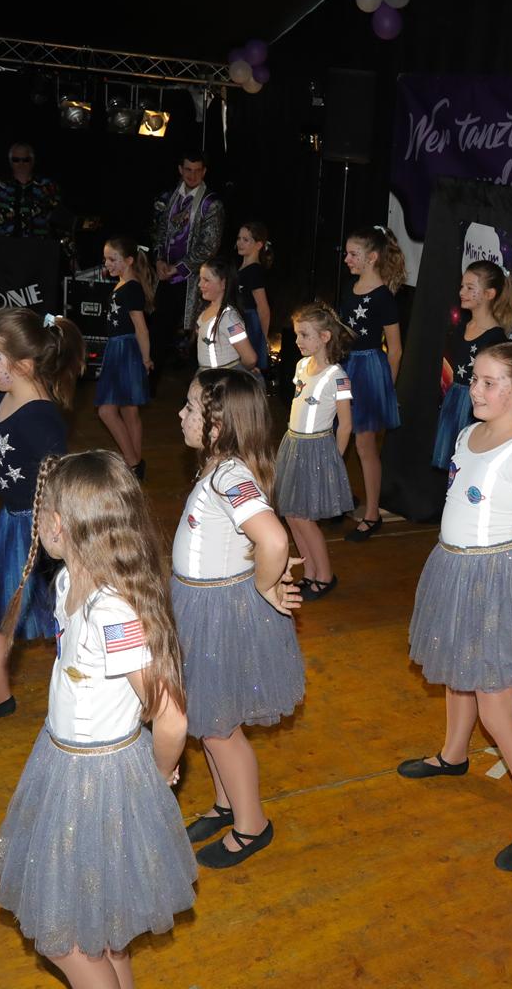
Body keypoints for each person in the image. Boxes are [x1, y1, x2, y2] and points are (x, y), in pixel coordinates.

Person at [0, 450, 196, 988]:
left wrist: (157, 777)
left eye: (42, 511)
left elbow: (171, 718)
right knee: (102, 928)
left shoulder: (112, 613)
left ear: (60, 525)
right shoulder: (66, 583)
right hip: (64, 763)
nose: (36, 521)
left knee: (67, 940)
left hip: (100, 777)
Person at [399, 341, 512, 871]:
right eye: (476, 379)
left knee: (497, 710)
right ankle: (453, 755)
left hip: (498, 583)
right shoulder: (468, 434)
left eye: (491, 383)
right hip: (456, 571)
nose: (476, 389)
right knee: (457, 670)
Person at [172, 368, 304, 870]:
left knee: (219, 728)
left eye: (190, 407)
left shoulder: (229, 475)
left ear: (218, 424)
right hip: (199, 606)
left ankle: (251, 824)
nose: (181, 414)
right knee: (208, 715)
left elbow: (272, 537)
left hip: (217, 614)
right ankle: (227, 802)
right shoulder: (219, 468)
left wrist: (265, 584)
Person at [0, 309, 85, 730]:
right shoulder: (7, 395)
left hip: (40, 528)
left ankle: (88, 694)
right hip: (10, 522)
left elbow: (59, 479)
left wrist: (55, 536)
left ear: (23, 365)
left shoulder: (39, 416)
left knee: (69, 613)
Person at [273, 302, 355, 601]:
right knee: (292, 515)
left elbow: (345, 425)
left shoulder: (337, 376)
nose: (298, 340)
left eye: (304, 335)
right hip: (293, 444)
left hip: (317, 450)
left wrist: (335, 461)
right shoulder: (300, 367)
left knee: (305, 518)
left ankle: (325, 575)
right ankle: (309, 572)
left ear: (324, 337)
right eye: (297, 334)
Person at [339, 226, 405, 541]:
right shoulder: (349, 289)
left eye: (353, 254)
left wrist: (385, 389)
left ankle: (372, 513)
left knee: (364, 445)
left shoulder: (383, 298)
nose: (347, 259)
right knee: (338, 435)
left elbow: (396, 350)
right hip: (345, 367)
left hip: (368, 372)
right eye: (347, 253)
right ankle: (339, 499)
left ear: (372, 257)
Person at [431, 259, 512, 468]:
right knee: (451, 464)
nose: (462, 292)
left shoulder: (495, 339)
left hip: (474, 407)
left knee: (468, 464)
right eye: (462, 286)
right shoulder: (460, 327)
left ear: (489, 294)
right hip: (453, 400)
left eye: (470, 288)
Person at [150, 151, 224, 366]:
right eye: (188, 170)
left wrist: (178, 268)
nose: (192, 175)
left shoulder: (211, 204)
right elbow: (158, 231)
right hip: (165, 278)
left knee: (192, 339)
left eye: (197, 170)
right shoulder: (169, 197)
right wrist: (159, 260)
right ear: (180, 170)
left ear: (204, 172)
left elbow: (209, 246)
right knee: (158, 334)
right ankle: (151, 381)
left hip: (193, 282)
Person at [94, 236, 155, 480]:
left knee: (107, 411)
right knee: (129, 410)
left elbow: (141, 328)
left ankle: (132, 461)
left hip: (126, 351)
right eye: (106, 259)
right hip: (117, 349)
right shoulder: (122, 284)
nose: (107, 263)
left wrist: (145, 358)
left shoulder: (131, 287)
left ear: (129, 260)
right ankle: (135, 465)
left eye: (113, 259)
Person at [194, 257, 256, 372]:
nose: (199, 284)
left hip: (220, 379)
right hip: (206, 375)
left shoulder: (230, 319)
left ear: (223, 283)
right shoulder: (205, 310)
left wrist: (236, 373)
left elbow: (250, 359)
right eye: (200, 279)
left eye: (206, 280)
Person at [0, 143, 62, 237]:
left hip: (39, 241)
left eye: (26, 160)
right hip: (5, 241)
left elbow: (58, 214)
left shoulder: (47, 185)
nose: (21, 164)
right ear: (10, 161)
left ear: (32, 161)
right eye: (16, 160)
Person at [234, 222, 273, 375]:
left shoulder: (254, 271)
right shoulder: (242, 269)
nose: (240, 243)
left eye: (246, 240)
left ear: (258, 245)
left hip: (249, 324)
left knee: (248, 370)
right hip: (240, 321)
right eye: (239, 238)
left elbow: (263, 308)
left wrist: (262, 338)